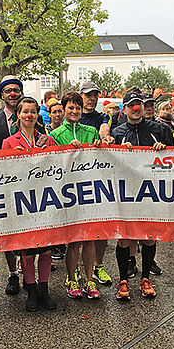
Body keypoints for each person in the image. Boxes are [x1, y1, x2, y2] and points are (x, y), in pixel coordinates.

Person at [111, 92, 174, 300]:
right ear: (125, 109)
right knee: (124, 240)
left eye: (138, 104)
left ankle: (145, 278)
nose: (136, 109)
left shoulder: (160, 129)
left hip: (151, 193)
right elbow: (109, 162)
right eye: (131, 105)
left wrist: (163, 150)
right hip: (126, 194)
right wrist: (117, 149)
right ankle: (123, 281)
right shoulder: (118, 132)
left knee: (149, 238)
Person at [2, 97, 57, 312]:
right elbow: (4, 172)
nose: (29, 116)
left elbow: (56, 166)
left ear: (37, 115)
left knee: (46, 248)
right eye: (25, 112)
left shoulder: (47, 140)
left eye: (33, 112)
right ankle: (31, 289)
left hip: (45, 200)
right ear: (18, 115)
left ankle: (45, 288)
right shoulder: (9, 142)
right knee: (28, 248)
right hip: (23, 202)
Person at [0, 76, 36, 292]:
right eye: (7, 90)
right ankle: (13, 273)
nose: (12, 94)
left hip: (31, 186)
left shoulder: (34, 120)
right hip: (5, 184)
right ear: (1, 95)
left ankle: (29, 275)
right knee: (9, 231)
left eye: (16, 89)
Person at [50, 92, 102, 299]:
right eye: (70, 108)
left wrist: (100, 146)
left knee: (89, 239)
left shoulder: (91, 131)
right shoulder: (55, 135)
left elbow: (101, 157)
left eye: (78, 108)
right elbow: (51, 163)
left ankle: (89, 280)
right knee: (73, 241)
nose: (74, 111)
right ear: (63, 110)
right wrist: (65, 150)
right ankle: (71, 278)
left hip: (88, 191)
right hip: (67, 193)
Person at [78, 81, 115, 286]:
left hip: (98, 178)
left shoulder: (102, 116)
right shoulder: (73, 115)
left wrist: (106, 137)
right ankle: (75, 268)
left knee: (101, 228)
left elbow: (104, 129)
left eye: (94, 95)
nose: (91, 99)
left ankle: (98, 265)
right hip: (76, 180)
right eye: (87, 95)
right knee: (77, 229)